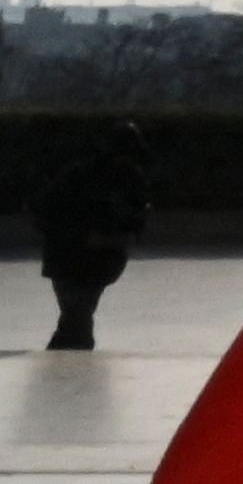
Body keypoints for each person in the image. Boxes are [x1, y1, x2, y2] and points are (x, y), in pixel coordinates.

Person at [32, 122, 151, 351]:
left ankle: (69, 352)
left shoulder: (123, 178)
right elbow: (50, 211)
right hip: (74, 254)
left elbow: (135, 217)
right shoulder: (88, 177)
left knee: (77, 311)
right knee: (77, 311)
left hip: (92, 257)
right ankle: (71, 351)